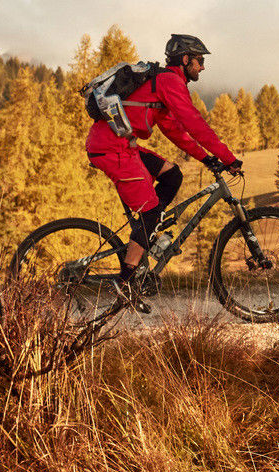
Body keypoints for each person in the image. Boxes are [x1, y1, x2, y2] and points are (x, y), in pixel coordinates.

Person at [83, 33, 244, 306]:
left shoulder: (163, 83)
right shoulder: (169, 81)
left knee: (172, 175)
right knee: (149, 210)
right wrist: (227, 157)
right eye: (199, 61)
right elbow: (194, 123)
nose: (202, 67)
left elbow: (175, 130)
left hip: (121, 146)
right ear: (185, 59)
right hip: (113, 149)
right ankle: (126, 281)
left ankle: (148, 229)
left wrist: (205, 159)